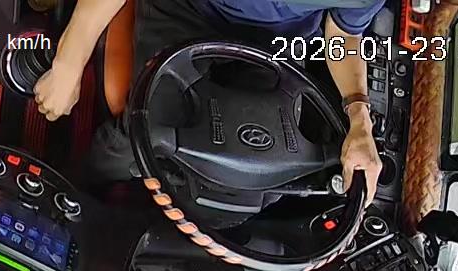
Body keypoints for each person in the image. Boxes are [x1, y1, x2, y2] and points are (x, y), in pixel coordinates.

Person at [33, 0, 384, 203]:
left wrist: (359, 119)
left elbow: (344, 36)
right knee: (145, 135)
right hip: (188, 9)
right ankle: (74, 186)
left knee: (258, 184)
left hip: (275, 45)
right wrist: (69, 61)